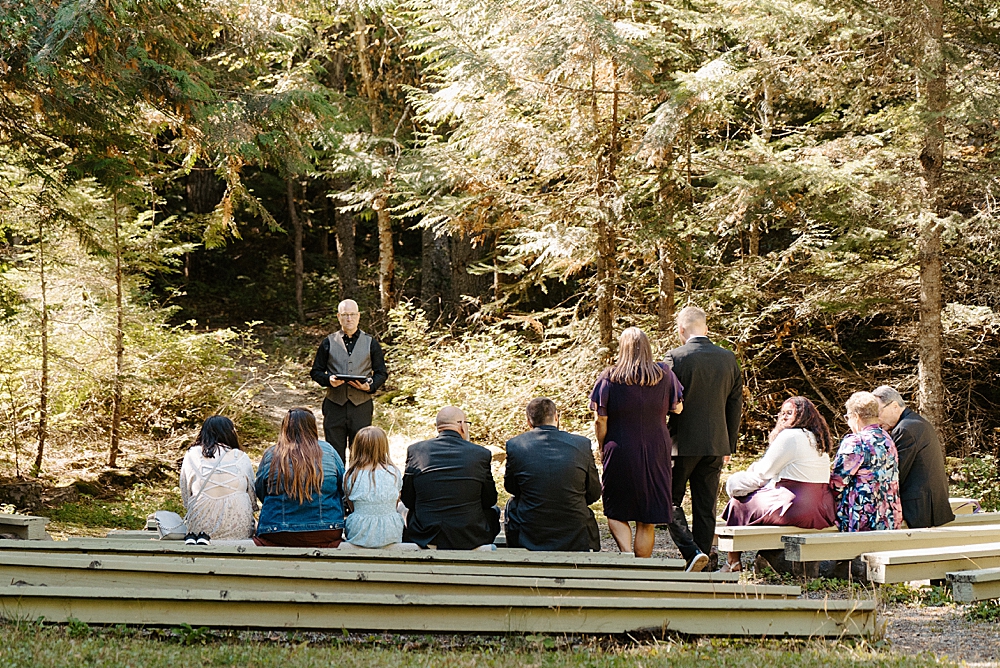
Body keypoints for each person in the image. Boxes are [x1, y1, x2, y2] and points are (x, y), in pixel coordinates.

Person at [590, 327, 684, 560]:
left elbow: (600, 418)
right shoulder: (665, 373)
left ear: (622, 348)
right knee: (647, 515)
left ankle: (626, 554)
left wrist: (602, 444)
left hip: (619, 446)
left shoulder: (609, 377)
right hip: (656, 448)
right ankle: (642, 566)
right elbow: (678, 407)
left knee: (615, 508)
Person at [664, 306, 743, 571]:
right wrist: (729, 444)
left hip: (681, 443)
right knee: (706, 505)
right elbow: (735, 405)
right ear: (706, 328)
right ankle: (702, 560)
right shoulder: (728, 358)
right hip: (716, 443)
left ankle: (692, 552)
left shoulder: (675, 358)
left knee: (669, 500)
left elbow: (665, 403)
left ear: (681, 329)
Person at [720, 396, 837, 572]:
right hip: (821, 508)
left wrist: (733, 484)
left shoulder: (790, 436)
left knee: (738, 503)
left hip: (794, 506)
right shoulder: (817, 438)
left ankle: (733, 562)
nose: (783, 417)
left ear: (803, 415)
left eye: (789, 413)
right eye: (781, 413)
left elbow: (763, 474)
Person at [503, 398, 601, 552]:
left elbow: (511, 487)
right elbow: (594, 492)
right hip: (575, 529)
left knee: (512, 505)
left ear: (529, 421)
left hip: (531, 530)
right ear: (556, 417)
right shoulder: (582, 444)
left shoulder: (516, 445)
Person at [401, 406, 501, 550]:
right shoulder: (480, 453)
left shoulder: (416, 451)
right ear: (461, 425)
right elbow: (489, 499)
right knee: (494, 511)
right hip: (469, 534)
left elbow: (408, 499)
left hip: (426, 533)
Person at [310, 299, 389, 464]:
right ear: (339, 317)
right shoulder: (328, 342)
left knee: (361, 453)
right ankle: (337, 488)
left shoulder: (371, 343)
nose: (349, 319)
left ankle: (357, 487)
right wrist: (328, 380)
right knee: (334, 455)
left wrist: (370, 386)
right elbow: (316, 371)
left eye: (352, 314)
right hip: (334, 405)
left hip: (361, 406)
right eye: (345, 315)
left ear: (358, 316)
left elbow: (381, 372)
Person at [254, 408, 346, 547]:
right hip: (325, 531)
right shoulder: (329, 451)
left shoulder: (272, 454)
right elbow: (343, 487)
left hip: (277, 532)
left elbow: (261, 490)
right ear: (313, 427)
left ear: (284, 428)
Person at [872, 386, 955, 528]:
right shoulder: (915, 422)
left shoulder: (905, 429)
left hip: (920, 511)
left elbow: (895, 474)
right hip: (929, 506)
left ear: (894, 406)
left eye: (878, 412)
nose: (877, 419)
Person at [830, 392, 903, 532]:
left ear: (856, 417)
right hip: (888, 517)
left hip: (861, 519)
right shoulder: (888, 439)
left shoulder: (856, 442)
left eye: (848, 417)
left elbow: (837, 483)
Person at [179, 416, 257, 543]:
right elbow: (252, 497)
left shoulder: (192, 454)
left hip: (201, 528)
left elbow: (186, 494)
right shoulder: (241, 456)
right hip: (239, 528)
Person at [343, 426, 405, 548]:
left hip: (359, 531)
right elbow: (396, 502)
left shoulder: (351, 474)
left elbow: (351, 505)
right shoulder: (393, 472)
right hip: (390, 531)